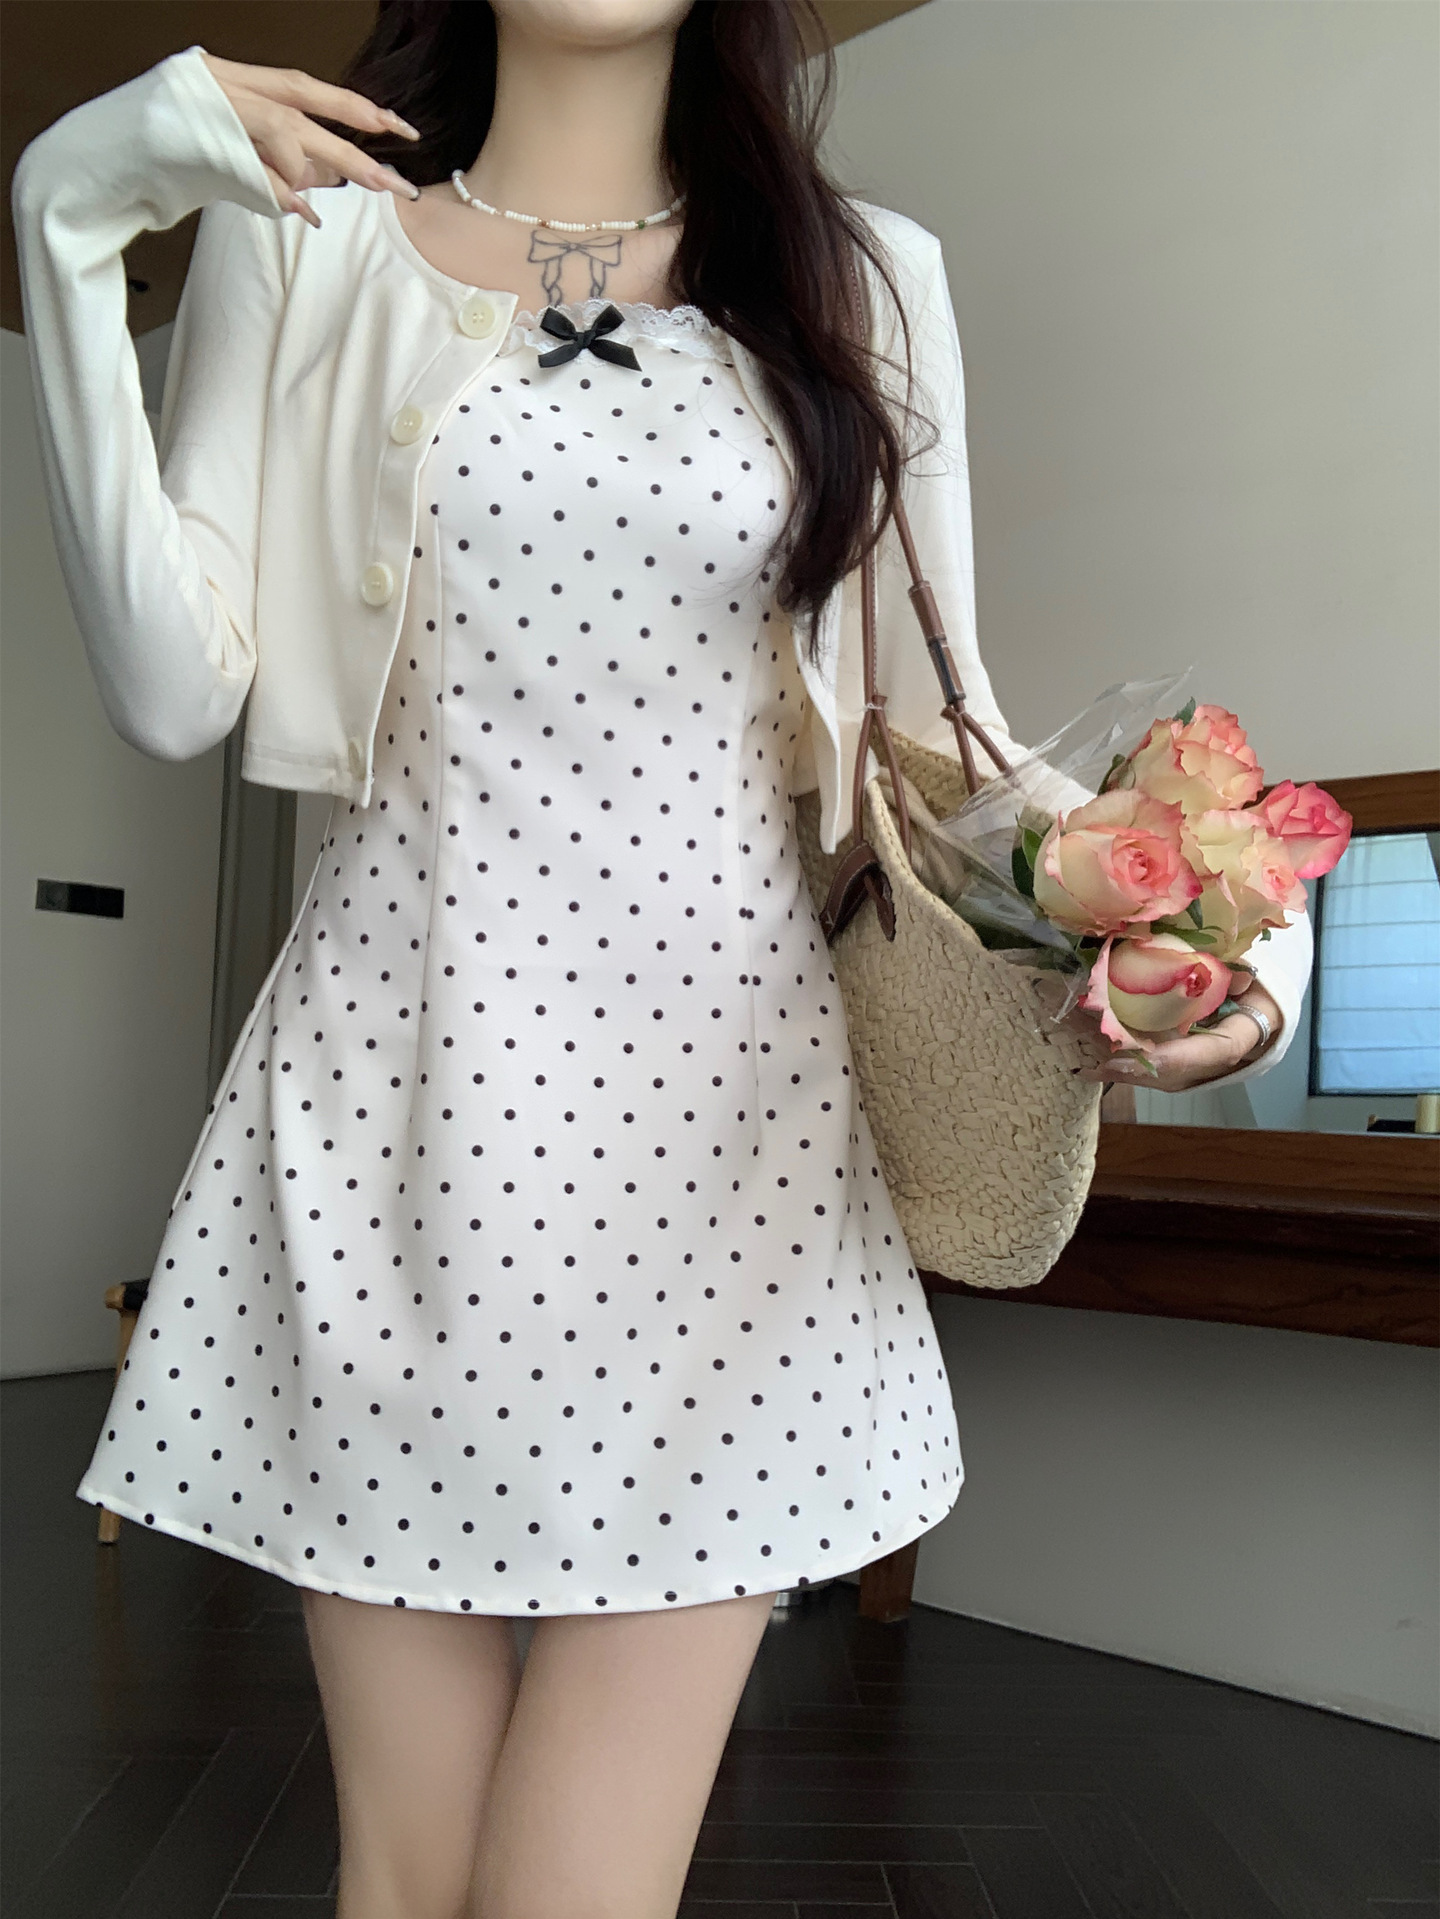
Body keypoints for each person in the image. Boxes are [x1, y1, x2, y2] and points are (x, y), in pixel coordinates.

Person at [11, 3, 1307, 1913]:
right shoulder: (306, 241)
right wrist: (66, 210)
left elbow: (942, 731)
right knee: (405, 1879)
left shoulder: (863, 275)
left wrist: (1221, 918)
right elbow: (168, 690)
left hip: (727, 1162)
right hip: (394, 1129)